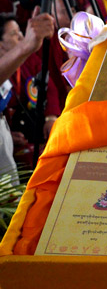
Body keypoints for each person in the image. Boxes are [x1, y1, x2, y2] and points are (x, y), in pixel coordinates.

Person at [0, 9, 56, 180]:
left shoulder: (28, 60)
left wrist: (50, 117)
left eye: (21, 33)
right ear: (1, 44)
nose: (22, 38)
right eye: (15, 34)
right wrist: (25, 47)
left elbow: (49, 86)